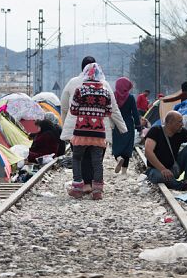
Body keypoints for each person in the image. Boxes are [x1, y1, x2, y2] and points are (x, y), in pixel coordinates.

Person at [61, 63, 126, 200]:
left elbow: (73, 110)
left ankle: (78, 188)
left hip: (81, 131)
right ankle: (97, 191)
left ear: (84, 74)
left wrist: (85, 112)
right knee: (97, 162)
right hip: (98, 133)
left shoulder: (80, 90)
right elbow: (109, 111)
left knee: (77, 158)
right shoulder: (105, 91)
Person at [60, 56, 100, 193]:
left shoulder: (73, 83)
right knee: (94, 158)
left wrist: (65, 126)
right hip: (98, 129)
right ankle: (93, 185)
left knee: (78, 157)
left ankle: (80, 185)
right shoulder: (103, 83)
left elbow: (65, 107)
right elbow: (111, 108)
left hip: (76, 128)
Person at [143, 110, 187, 189]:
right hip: (157, 170)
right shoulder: (155, 131)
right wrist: (163, 169)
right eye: (179, 122)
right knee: (158, 176)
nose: (182, 124)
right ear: (169, 123)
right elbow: (148, 152)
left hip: (174, 168)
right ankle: (181, 185)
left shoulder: (181, 131)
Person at [112, 77, 145, 176]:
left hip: (117, 123)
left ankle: (118, 158)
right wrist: (139, 127)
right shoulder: (130, 97)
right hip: (128, 124)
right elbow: (135, 113)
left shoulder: (113, 96)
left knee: (116, 144)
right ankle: (124, 172)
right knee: (127, 147)